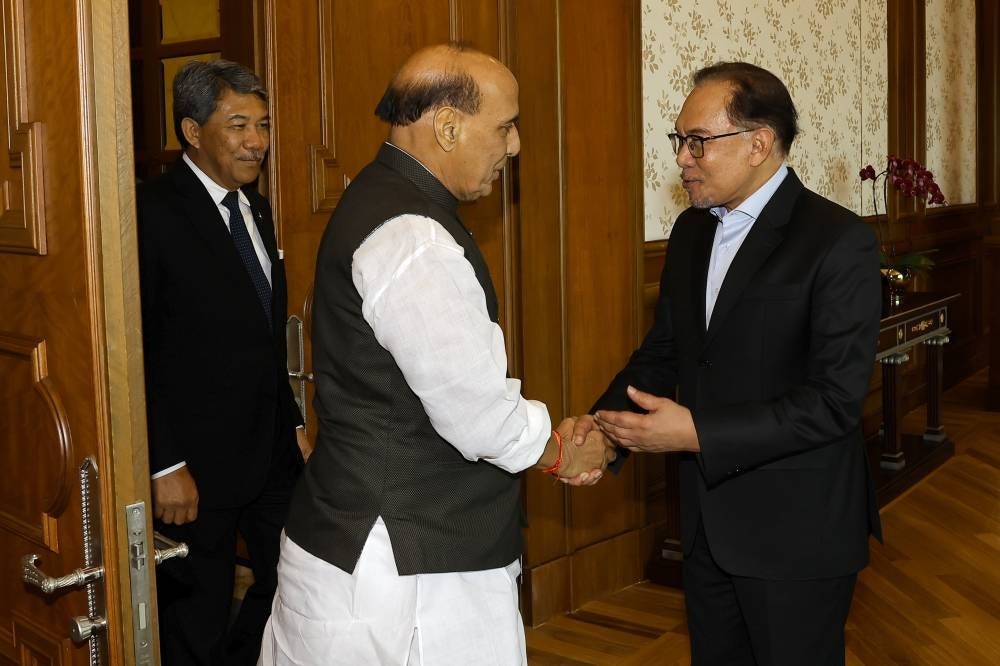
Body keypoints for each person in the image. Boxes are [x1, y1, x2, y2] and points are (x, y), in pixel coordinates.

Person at [260, 44, 614, 665]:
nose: (515, 147)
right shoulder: (415, 238)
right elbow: (476, 414)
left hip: (362, 547)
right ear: (447, 126)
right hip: (404, 569)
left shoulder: (378, 197)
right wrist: (560, 451)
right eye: (504, 127)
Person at [582, 62, 883, 665]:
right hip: (704, 528)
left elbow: (832, 403)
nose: (683, 158)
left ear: (759, 144)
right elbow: (666, 352)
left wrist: (695, 432)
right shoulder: (691, 232)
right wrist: (602, 429)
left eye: (698, 141)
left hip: (796, 536)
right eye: (679, 141)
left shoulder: (838, 240)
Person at [137, 59, 310, 665]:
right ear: (192, 131)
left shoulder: (255, 210)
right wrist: (162, 464)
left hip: (271, 454)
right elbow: (139, 349)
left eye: (262, 125)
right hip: (194, 467)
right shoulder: (149, 213)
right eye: (239, 125)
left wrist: (293, 423)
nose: (256, 141)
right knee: (196, 618)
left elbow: (266, 338)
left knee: (292, 584)